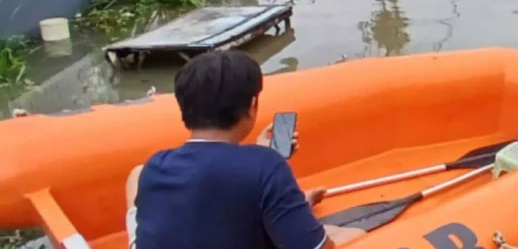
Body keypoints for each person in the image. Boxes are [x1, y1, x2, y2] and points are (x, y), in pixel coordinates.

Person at [125, 51, 364, 248]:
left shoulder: (156, 165)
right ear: (252, 106)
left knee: (137, 173)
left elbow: (208, 194)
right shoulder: (266, 166)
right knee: (348, 235)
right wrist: (299, 211)